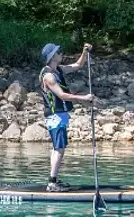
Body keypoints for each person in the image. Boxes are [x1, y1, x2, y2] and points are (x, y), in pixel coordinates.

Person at [38, 41, 95, 191]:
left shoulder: (59, 70)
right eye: (58, 52)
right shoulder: (49, 76)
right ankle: (51, 183)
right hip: (55, 116)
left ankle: (54, 179)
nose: (61, 53)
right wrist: (84, 98)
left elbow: (77, 65)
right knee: (59, 148)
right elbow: (62, 95)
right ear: (52, 57)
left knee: (58, 148)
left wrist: (84, 52)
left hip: (60, 115)